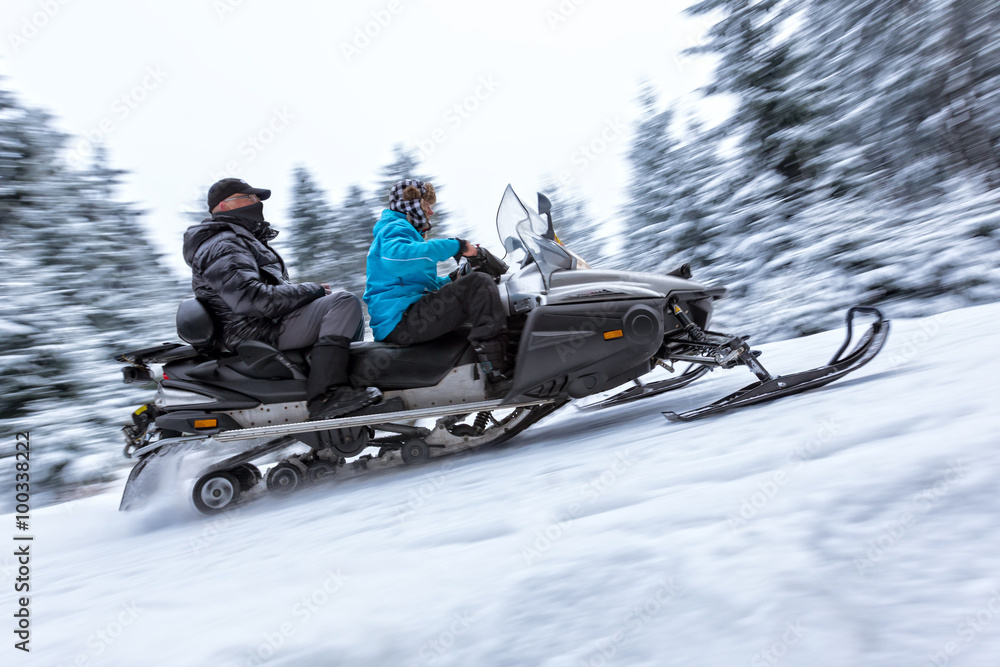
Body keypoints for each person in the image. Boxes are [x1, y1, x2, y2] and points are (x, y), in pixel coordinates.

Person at [182, 177, 381, 420]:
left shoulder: (237, 239)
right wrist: (310, 290)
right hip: (254, 330)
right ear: (224, 206)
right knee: (342, 303)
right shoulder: (223, 243)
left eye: (257, 199)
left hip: (262, 323)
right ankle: (327, 395)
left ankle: (344, 382)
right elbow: (250, 299)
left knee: (336, 305)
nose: (257, 203)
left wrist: (306, 294)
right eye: (250, 198)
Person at [364, 179, 510, 381]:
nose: (431, 212)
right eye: (427, 205)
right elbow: (397, 258)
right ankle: (497, 369)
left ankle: (479, 374)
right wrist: (457, 246)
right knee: (479, 284)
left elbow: (422, 287)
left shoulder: (404, 233)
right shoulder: (394, 227)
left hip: (404, 316)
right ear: (412, 205)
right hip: (400, 319)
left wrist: (455, 277)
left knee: (471, 308)